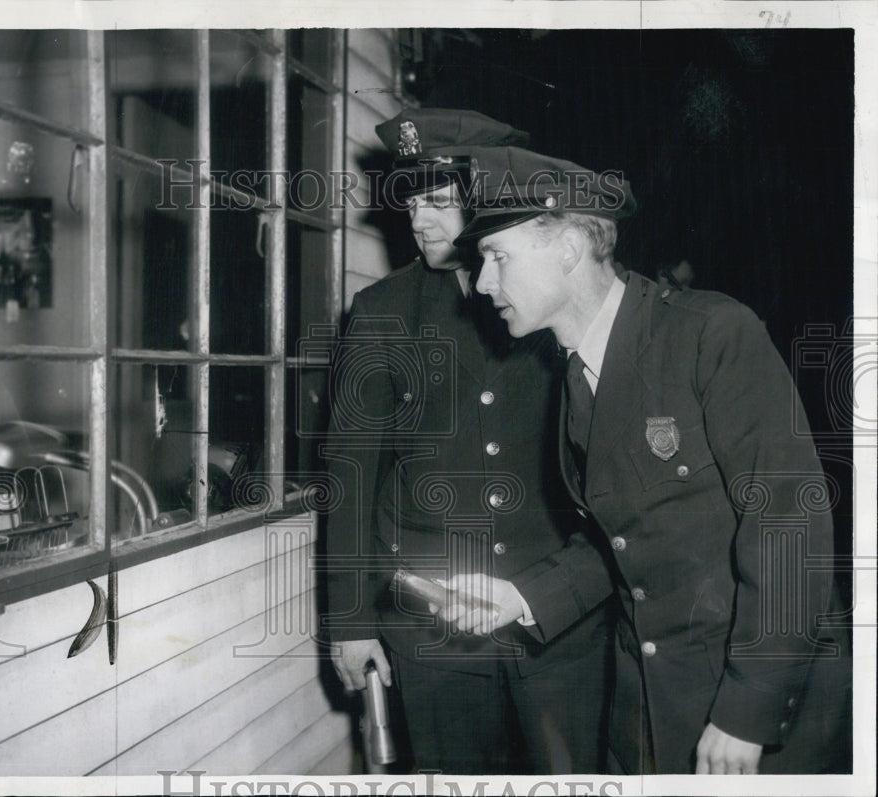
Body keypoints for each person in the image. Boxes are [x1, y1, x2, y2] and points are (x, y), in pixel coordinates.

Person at [437, 144, 851, 774]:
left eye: (496, 256)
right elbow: (625, 540)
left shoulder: (710, 333)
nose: (482, 281)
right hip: (648, 705)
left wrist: (748, 710)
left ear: (570, 249)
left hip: (750, 711)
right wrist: (521, 598)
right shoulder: (574, 375)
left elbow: (790, 523)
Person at [321, 110, 614, 774]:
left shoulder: (553, 303)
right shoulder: (381, 313)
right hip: (435, 631)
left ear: (487, 193)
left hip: (557, 624)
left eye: (437, 198)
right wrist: (350, 619)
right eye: (411, 198)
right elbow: (351, 474)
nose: (417, 219)